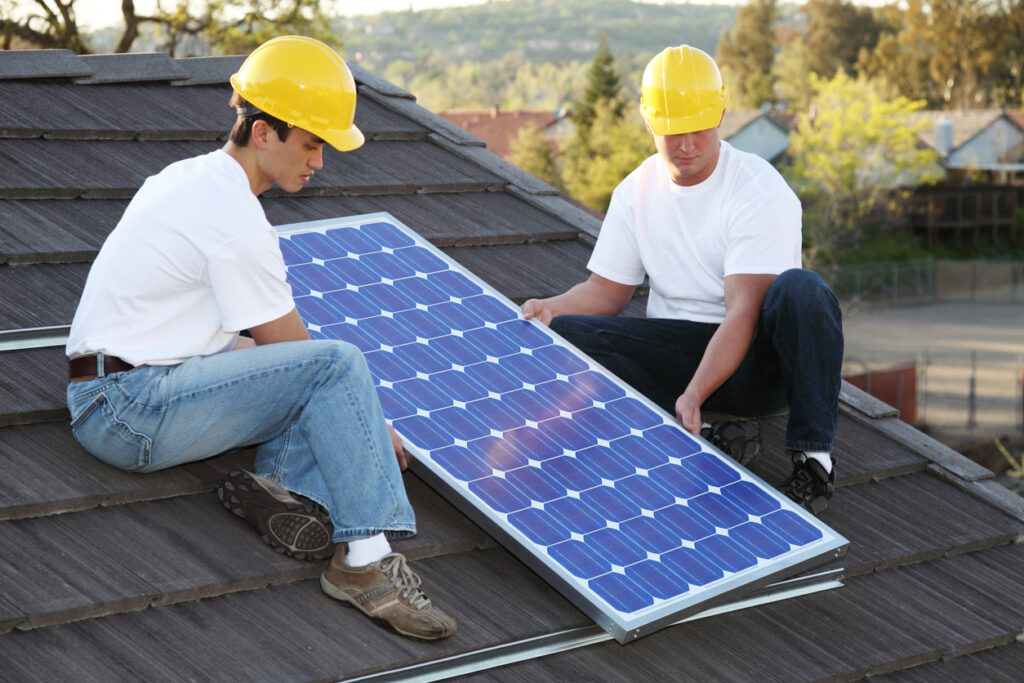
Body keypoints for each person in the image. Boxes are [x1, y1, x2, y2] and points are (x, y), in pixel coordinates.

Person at [64, 36, 456, 640]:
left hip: (122, 391)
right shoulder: (233, 217)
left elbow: (255, 351)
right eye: (311, 143)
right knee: (336, 367)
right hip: (130, 408)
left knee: (304, 381)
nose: (319, 161)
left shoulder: (188, 179)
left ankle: (286, 490)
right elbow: (301, 354)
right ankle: (366, 561)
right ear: (263, 132)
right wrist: (372, 425)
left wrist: (352, 417)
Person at [523, 45, 844, 515]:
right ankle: (706, 439)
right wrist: (550, 308)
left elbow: (743, 314)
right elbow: (607, 293)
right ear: (651, 123)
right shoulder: (635, 191)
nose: (686, 144)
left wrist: (694, 394)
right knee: (569, 334)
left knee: (804, 289)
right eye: (673, 130)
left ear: (720, 114)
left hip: (757, 364)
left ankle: (814, 462)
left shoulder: (757, 187)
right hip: (681, 354)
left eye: (697, 127)